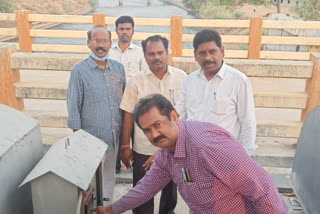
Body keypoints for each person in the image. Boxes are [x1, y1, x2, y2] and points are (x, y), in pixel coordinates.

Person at [91, 94, 287, 214]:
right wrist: (112, 209)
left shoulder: (207, 146)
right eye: (147, 130)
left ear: (174, 117)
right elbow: (146, 188)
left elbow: (262, 188)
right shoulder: (167, 153)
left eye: (157, 125)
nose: (154, 135)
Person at [120, 35, 187, 214]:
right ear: (144, 55)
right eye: (151, 54)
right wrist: (125, 146)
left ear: (167, 53)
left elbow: (187, 114)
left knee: (170, 194)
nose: (156, 57)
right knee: (142, 194)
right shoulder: (136, 81)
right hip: (143, 149)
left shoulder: (182, 78)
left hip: (173, 148)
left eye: (160, 52)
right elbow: (128, 114)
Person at [67, 25, 126, 206]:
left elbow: (125, 103)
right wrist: (79, 137)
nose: (101, 45)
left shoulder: (118, 69)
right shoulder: (79, 71)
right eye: (97, 40)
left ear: (110, 43)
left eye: (105, 41)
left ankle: (106, 207)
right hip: (90, 138)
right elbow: (73, 104)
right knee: (88, 179)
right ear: (89, 43)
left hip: (114, 135)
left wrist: (125, 137)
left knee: (109, 177)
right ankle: (89, 208)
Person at [175, 29, 257, 155]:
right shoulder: (189, 80)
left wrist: (245, 157)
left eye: (212, 52)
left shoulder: (239, 81)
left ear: (222, 51)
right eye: (202, 53)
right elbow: (179, 116)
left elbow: (247, 122)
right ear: (195, 55)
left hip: (225, 154)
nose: (208, 58)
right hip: (193, 153)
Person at [108, 15, 148, 173]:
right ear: (116, 31)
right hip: (114, 101)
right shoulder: (109, 52)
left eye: (128, 29)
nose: (124, 32)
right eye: (121, 29)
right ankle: (116, 167)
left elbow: (145, 77)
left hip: (134, 103)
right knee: (115, 134)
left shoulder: (140, 53)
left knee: (136, 135)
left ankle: (137, 167)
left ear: (133, 31)